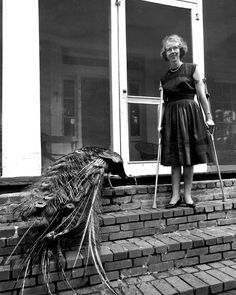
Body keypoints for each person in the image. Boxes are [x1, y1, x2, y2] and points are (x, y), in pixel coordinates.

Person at [159, 34, 215, 208]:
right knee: (175, 158)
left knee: (188, 156)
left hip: (190, 113)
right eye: (169, 49)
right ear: (165, 53)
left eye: (175, 48)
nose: (173, 51)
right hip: (172, 116)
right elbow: (162, 103)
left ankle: (188, 195)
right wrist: (160, 124)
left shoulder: (192, 69)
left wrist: (209, 117)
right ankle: (175, 195)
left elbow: (202, 95)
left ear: (181, 49)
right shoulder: (164, 78)